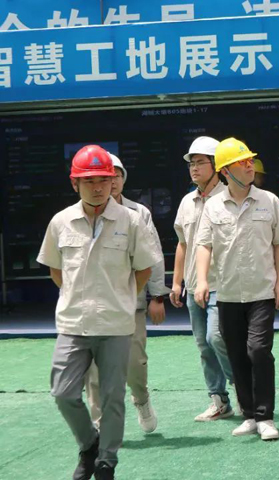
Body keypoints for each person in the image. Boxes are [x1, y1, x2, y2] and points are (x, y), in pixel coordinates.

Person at [37, 145, 161, 480]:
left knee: (111, 398)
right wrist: (78, 296)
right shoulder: (61, 221)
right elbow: (56, 269)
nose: (98, 187)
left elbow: (144, 268)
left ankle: (106, 462)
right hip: (73, 323)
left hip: (116, 323)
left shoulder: (131, 220)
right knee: (63, 393)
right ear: (74, 183)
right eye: (89, 180)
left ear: (113, 181)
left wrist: (120, 297)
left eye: (104, 179)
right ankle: (89, 444)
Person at [195, 137, 279, 441]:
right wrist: (202, 281)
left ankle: (266, 417)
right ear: (226, 171)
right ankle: (250, 416)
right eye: (242, 162)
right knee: (237, 355)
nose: (250, 165)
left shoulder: (269, 200)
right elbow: (203, 245)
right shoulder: (213, 206)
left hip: (262, 293)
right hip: (227, 294)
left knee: (259, 351)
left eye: (250, 160)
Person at [84, 154, 170, 434]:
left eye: (116, 176)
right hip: (93, 306)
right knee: (94, 369)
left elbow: (153, 256)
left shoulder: (138, 213)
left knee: (135, 363)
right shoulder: (80, 214)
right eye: (103, 177)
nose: (111, 182)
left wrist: (157, 296)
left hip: (131, 303)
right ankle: (101, 425)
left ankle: (141, 399)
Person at [170, 136, 236, 422]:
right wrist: (176, 282)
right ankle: (219, 400)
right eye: (191, 163)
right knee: (203, 345)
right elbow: (183, 243)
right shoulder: (187, 201)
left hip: (223, 284)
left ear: (216, 165)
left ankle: (243, 387)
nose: (194, 168)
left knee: (217, 337)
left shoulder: (229, 197)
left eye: (200, 162)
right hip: (193, 285)